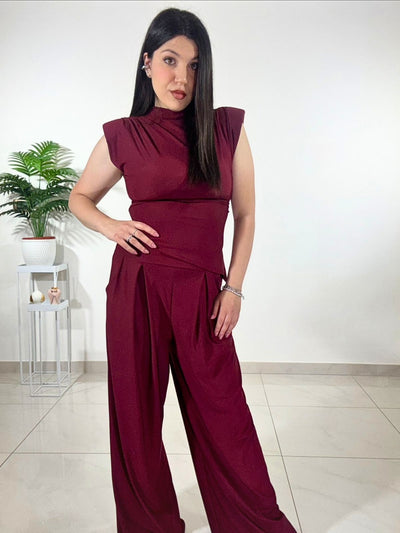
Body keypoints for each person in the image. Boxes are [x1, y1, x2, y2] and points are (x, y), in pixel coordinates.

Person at [69, 7, 297, 533]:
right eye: (170, 61)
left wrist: (234, 288)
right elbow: (80, 197)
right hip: (138, 288)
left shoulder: (226, 128)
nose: (182, 78)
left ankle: (251, 525)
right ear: (147, 62)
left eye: (195, 66)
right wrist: (111, 226)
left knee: (225, 415)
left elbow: (245, 214)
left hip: (204, 293)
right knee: (136, 418)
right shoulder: (124, 135)